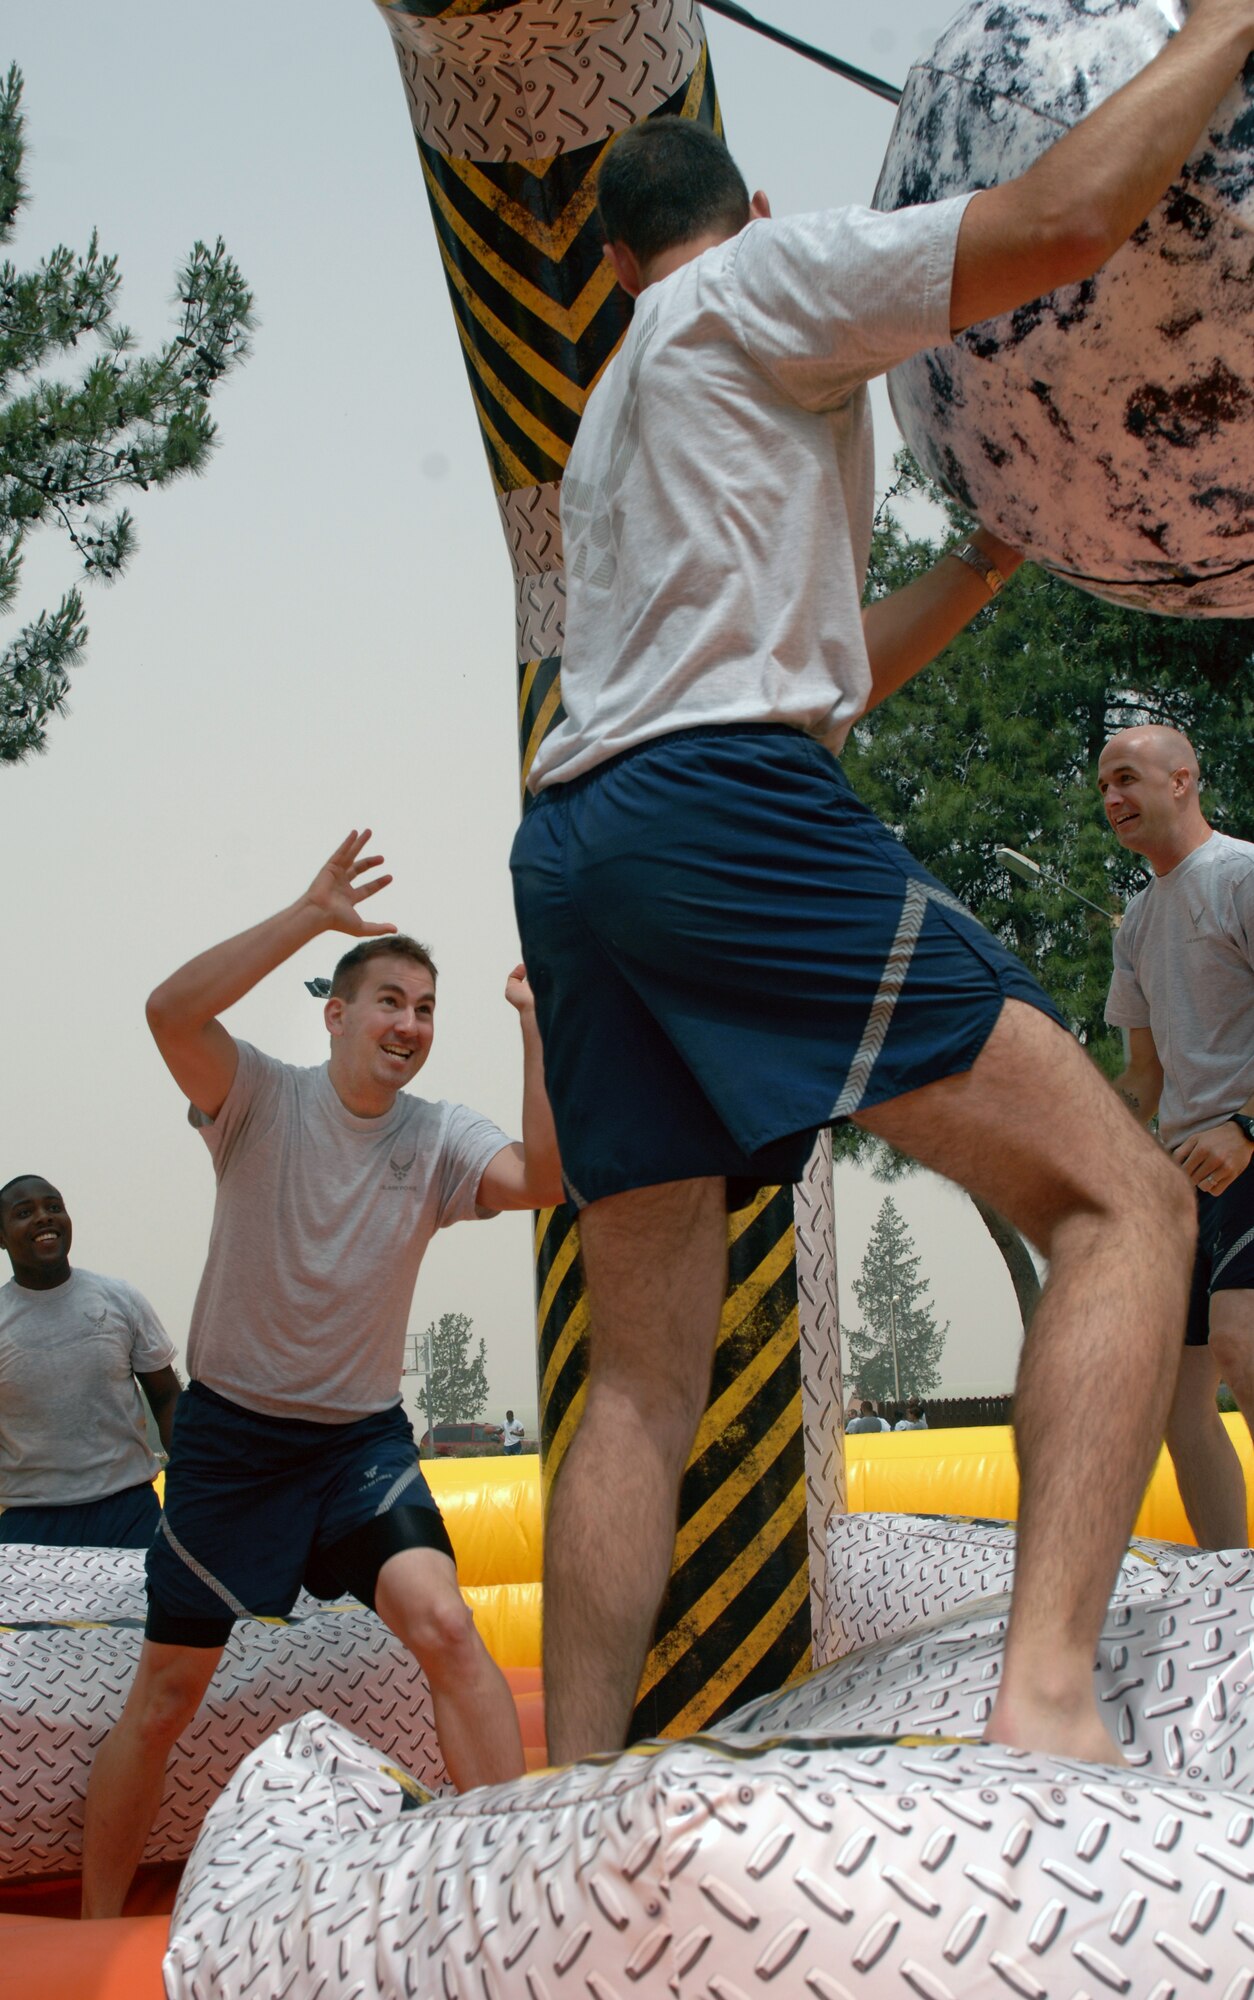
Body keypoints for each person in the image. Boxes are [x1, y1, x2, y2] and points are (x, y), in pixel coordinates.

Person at [510, 1, 1254, 1769]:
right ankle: (1045, 1700)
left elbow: (822, 656)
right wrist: (1213, 35)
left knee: (635, 1370)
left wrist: (993, 555)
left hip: (579, 835)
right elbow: (1061, 227)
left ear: (611, 265)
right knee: (1124, 1209)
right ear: (758, 214)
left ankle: (572, 1782)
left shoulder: (627, 404)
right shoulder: (765, 287)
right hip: (720, 810)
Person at [81, 831, 563, 1918]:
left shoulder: (438, 1136)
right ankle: (96, 1934)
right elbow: (168, 1012)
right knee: (164, 1695)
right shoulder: (258, 1095)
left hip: (359, 1443)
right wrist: (309, 910)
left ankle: (522, 1890)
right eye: (389, 999)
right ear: (337, 1013)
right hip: (232, 1444)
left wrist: (536, 1026)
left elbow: (542, 1177)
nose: (410, 1024)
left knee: (444, 1621)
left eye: (428, 1007)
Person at [1099, 725, 1254, 1549]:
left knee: (1241, 1339)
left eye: (1126, 780)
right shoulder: (1138, 924)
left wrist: (1247, 1127)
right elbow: (1144, 1075)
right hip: (1184, 1174)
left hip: (1249, 1153)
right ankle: (1238, 1592)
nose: (1114, 800)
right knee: (1171, 1395)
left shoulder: (1242, 877)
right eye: (1103, 791)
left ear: (1183, 779)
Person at [0, 1177, 181, 1549]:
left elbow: (166, 1398)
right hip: (29, 1519)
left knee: (147, 1608)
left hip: (129, 1509)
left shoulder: (120, 1298)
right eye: (23, 1213)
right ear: (1, 1237)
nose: (43, 1218)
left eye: (54, 1207)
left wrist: (192, 1482)